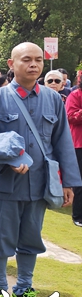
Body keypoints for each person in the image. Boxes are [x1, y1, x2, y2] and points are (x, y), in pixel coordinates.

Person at [0, 42, 81, 297]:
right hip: (5, 185)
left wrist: (68, 182)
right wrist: (7, 161)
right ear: (12, 64)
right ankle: (0, 292)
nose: (34, 64)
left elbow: (63, 142)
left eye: (38, 59)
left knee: (31, 239)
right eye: (26, 59)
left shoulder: (53, 100)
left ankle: (24, 289)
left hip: (38, 185)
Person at [65, 72, 82, 227]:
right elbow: (70, 116)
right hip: (79, 143)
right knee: (79, 182)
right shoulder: (75, 95)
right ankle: (78, 215)